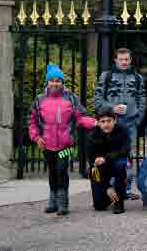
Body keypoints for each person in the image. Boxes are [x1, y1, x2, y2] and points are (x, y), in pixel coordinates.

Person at [29, 64, 97, 215]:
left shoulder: (71, 98)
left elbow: (81, 117)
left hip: (66, 145)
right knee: (53, 171)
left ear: (62, 82)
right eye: (52, 80)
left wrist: (95, 123)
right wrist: (36, 137)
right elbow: (32, 122)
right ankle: (53, 200)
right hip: (47, 145)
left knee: (61, 170)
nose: (55, 83)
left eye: (58, 81)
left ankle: (63, 202)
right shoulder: (39, 100)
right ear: (47, 82)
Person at [94, 47, 145, 200]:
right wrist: (112, 108)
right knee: (109, 155)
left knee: (127, 157)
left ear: (130, 60)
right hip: (110, 124)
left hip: (130, 123)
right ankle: (108, 187)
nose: (124, 62)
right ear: (115, 60)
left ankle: (125, 188)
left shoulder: (137, 78)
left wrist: (138, 119)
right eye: (121, 59)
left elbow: (142, 100)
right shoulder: (106, 76)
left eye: (126, 59)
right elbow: (97, 100)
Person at [87, 107, 130, 214]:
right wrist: (107, 186)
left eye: (109, 121)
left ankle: (119, 201)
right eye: (103, 121)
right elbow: (91, 161)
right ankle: (111, 193)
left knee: (121, 164)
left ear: (115, 120)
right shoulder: (92, 135)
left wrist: (106, 158)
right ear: (98, 122)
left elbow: (124, 151)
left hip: (116, 163)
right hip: (100, 169)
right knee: (99, 205)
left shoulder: (123, 131)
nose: (106, 124)